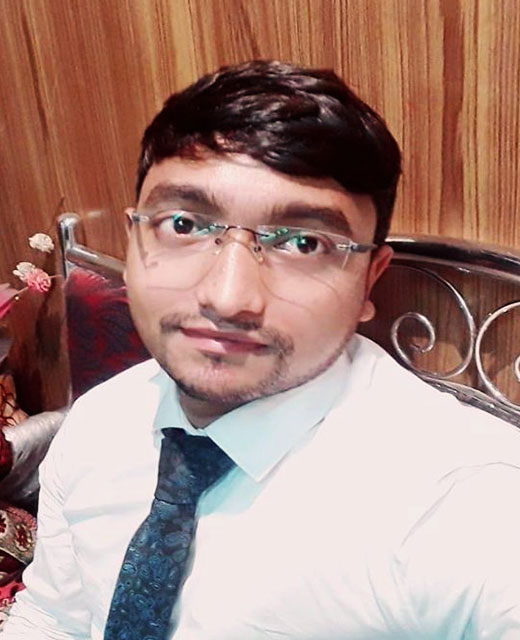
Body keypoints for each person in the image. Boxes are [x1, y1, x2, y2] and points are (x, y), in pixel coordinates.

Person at [3, 60, 520, 639]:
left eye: (304, 242)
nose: (228, 298)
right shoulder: (101, 420)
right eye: (184, 225)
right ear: (135, 238)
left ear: (369, 280)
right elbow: (54, 618)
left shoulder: (459, 502)